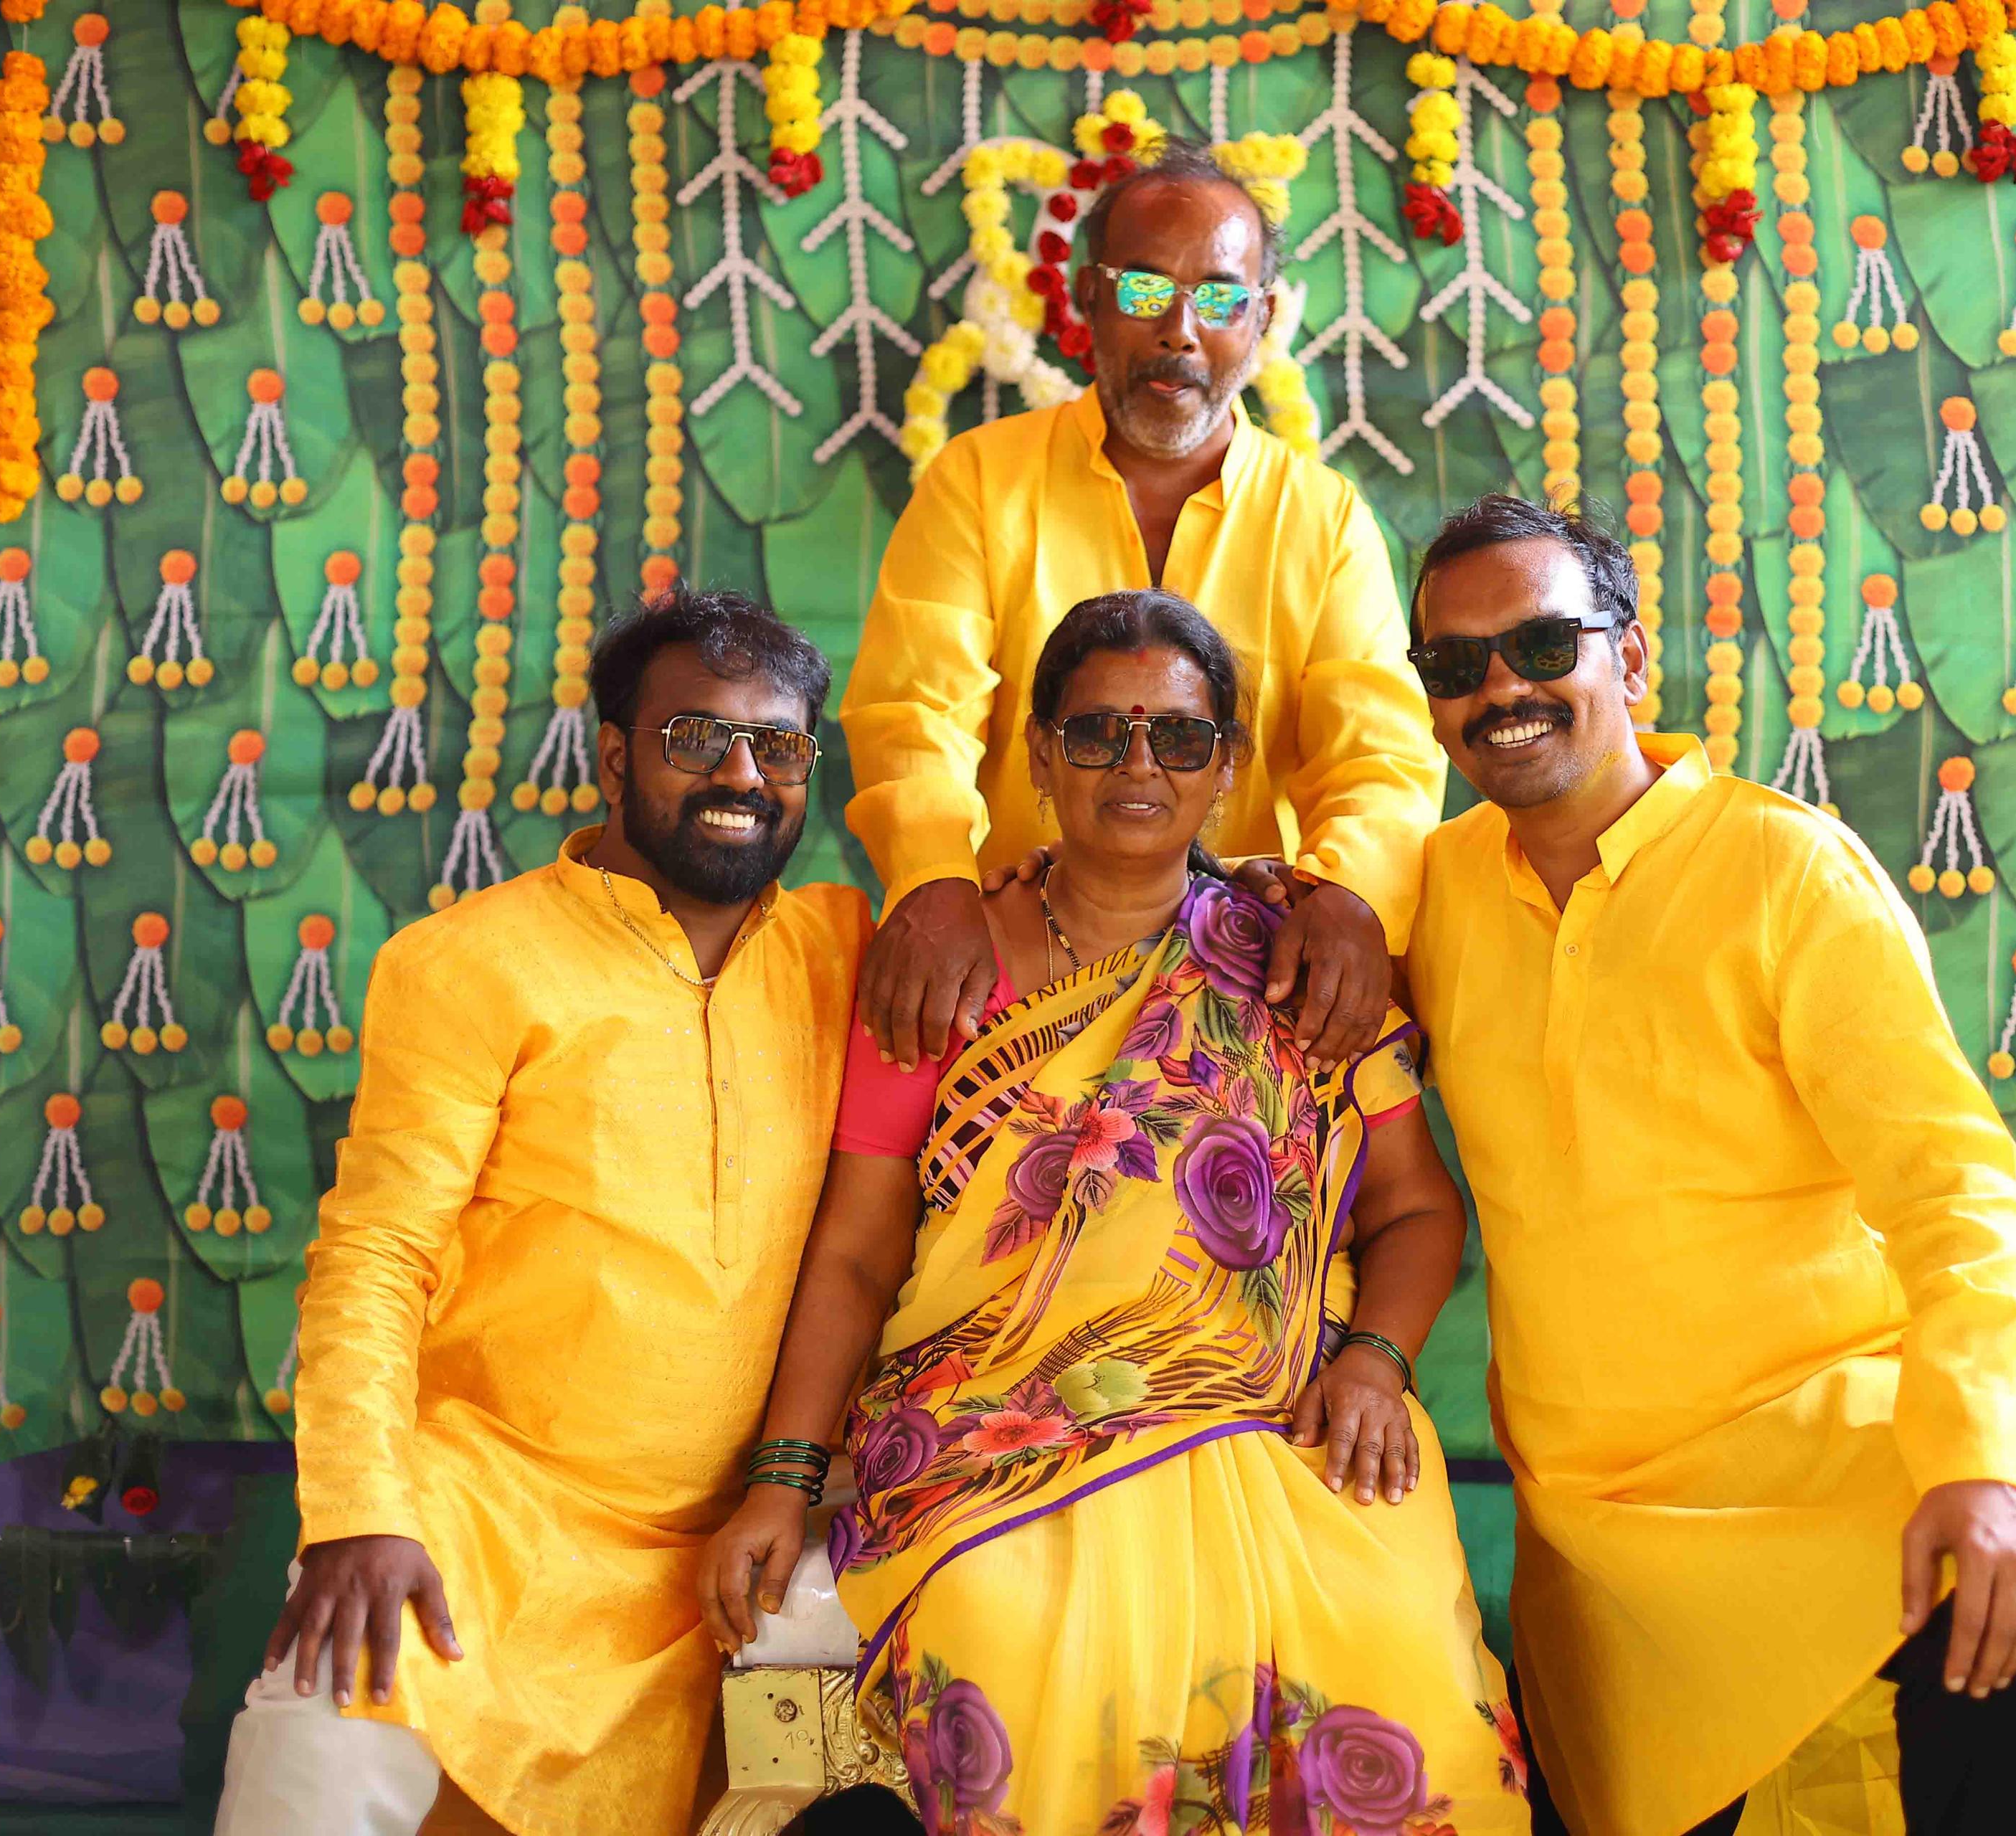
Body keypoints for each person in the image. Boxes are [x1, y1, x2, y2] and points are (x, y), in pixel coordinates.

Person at [701, 590, 1529, 1834]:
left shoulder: (1305, 960)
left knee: (1396, 1633)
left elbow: (1416, 1212)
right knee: (1010, 1624)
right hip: (989, 1427)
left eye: (1179, 739)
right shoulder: (944, 965)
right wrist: (782, 1477)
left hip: (1276, 1406)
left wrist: (1373, 1362)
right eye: (1097, 735)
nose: (1138, 765)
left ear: (1227, 766)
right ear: (1038, 755)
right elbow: (862, 1249)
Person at [1393, 496, 2016, 1836]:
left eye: (1540, 645)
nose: (1501, 692)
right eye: (1457, 668)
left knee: (2007, 1585)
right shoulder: (1439, 887)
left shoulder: (1783, 870)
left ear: (1630, 661)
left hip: (1816, 1456)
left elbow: (1957, 1190)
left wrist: (1991, 1465)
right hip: (1597, 1521)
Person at [212, 590, 873, 1836]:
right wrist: (357, 1513)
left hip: (755, 1523)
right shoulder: (472, 961)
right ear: (614, 757)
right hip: (501, 1505)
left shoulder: (848, 948)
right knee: (322, 1726)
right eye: (697, 740)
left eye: (778, 747)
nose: (743, 774)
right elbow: (376, 1252)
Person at [842, 138, 1442, 1079]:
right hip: (1009, 978)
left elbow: (1381, 757)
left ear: (1264, 318)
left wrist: (1353, 898)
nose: (1180, 331)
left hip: (1244, 993)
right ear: (1084, 300)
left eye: (1218, 297)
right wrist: (933, 880)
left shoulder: (1322, 520)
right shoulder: (980, 482)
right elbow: (916, 714)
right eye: (1142, 290)